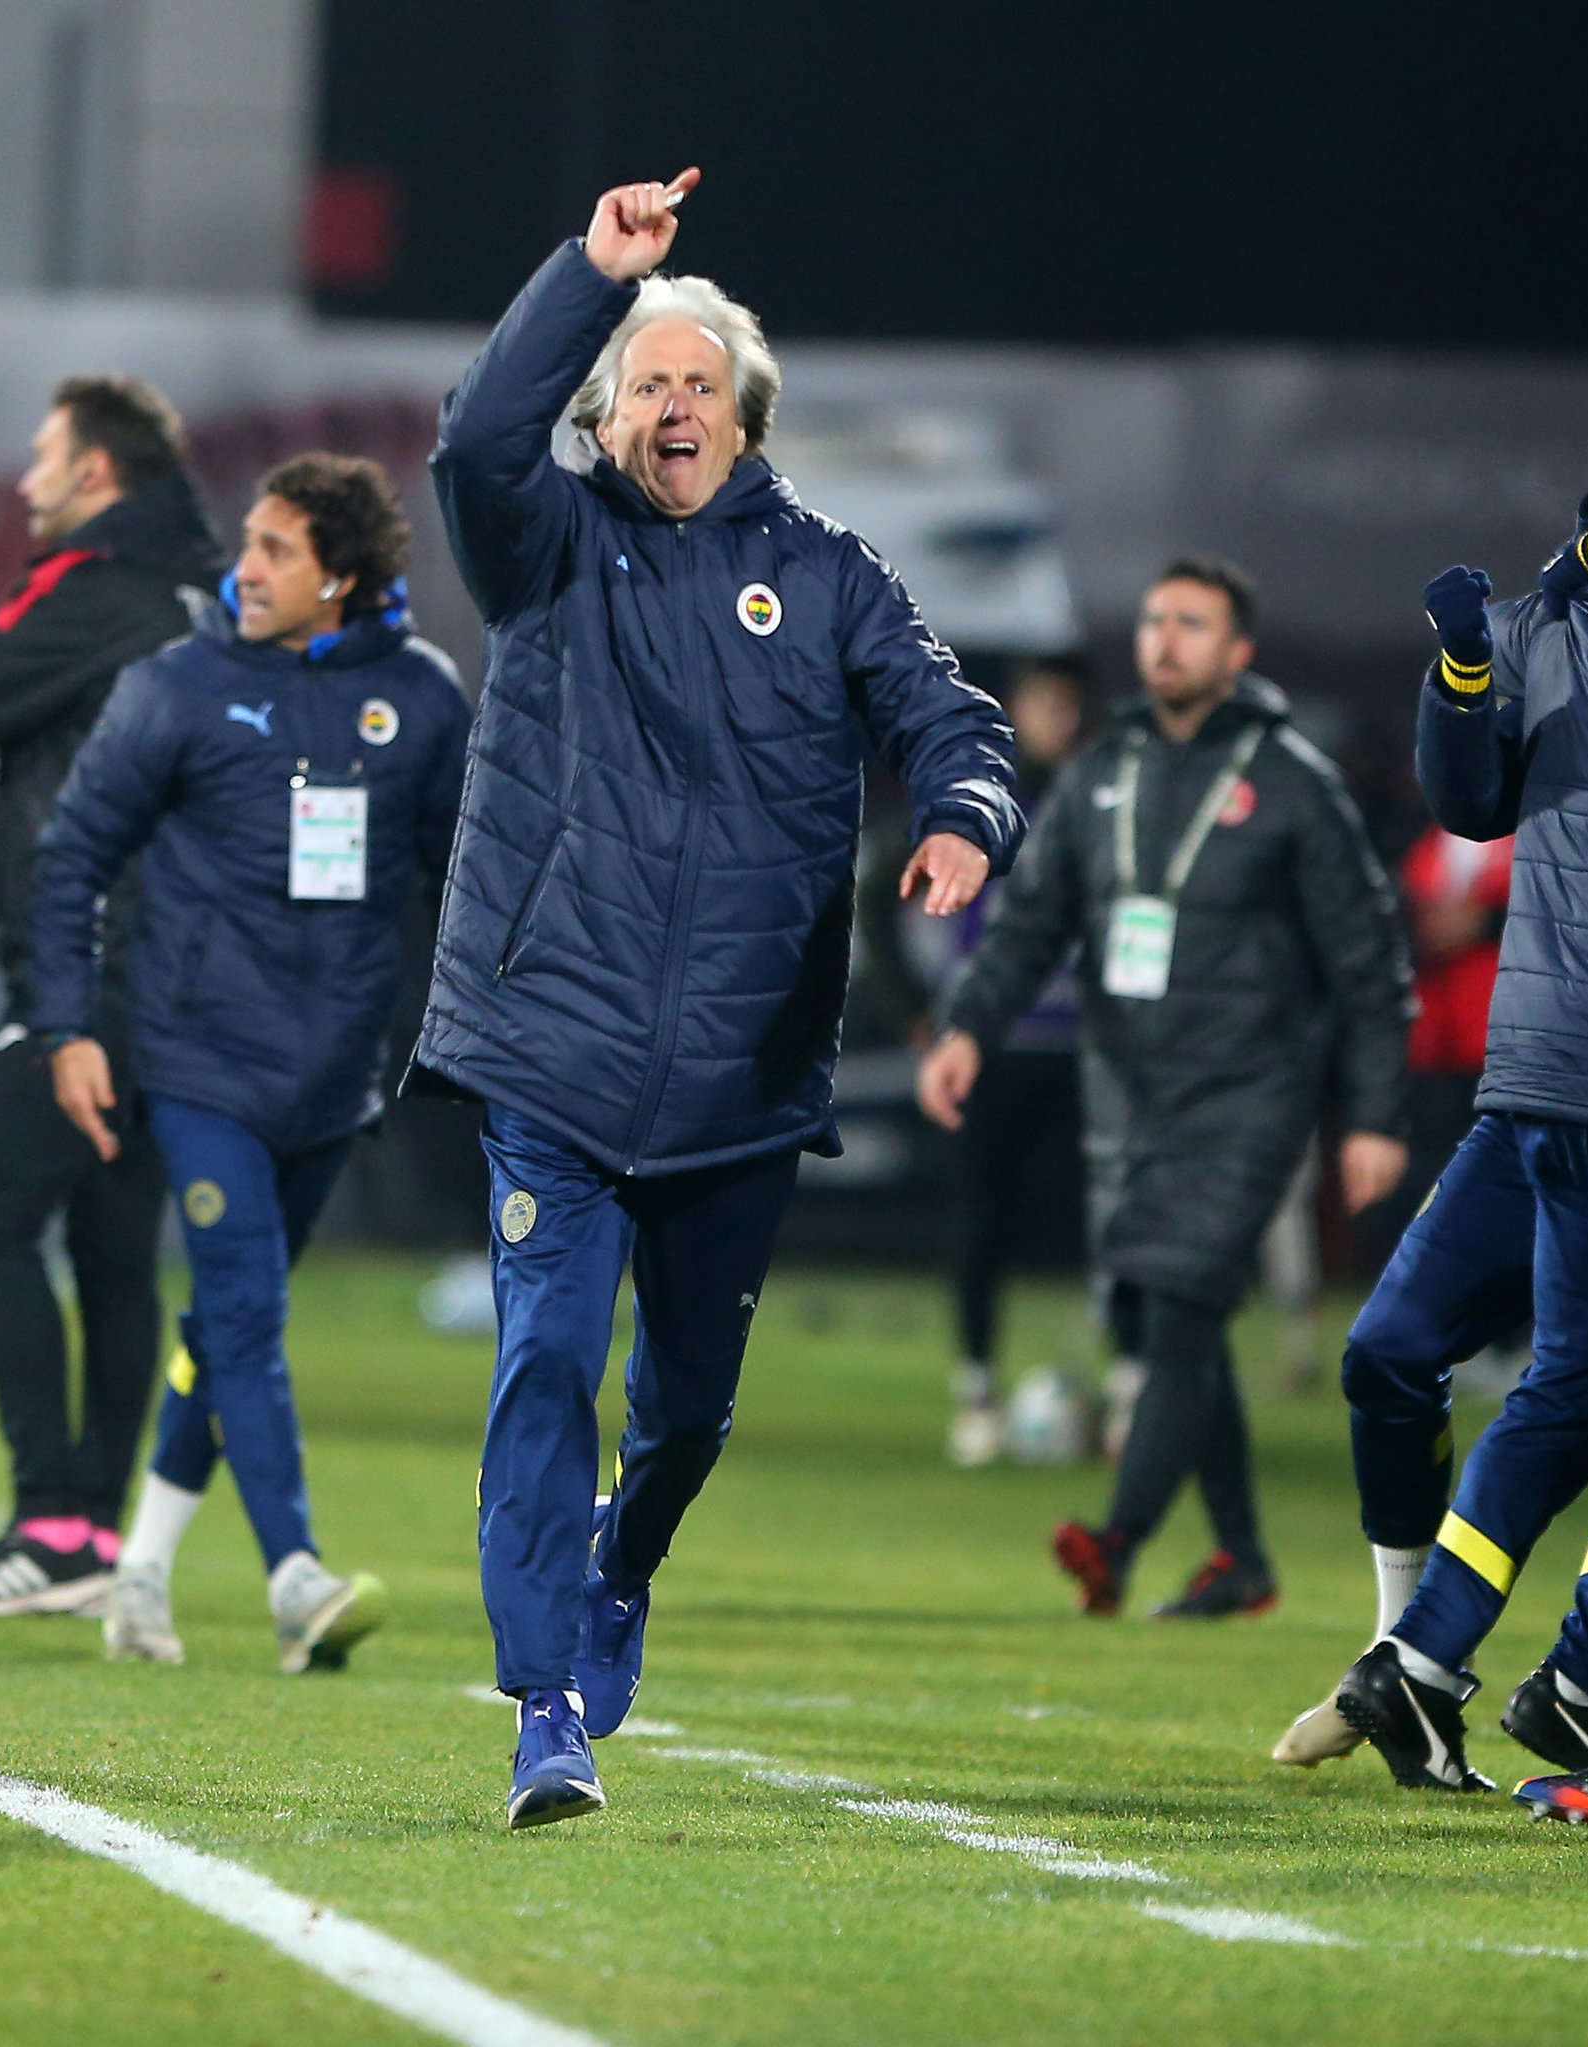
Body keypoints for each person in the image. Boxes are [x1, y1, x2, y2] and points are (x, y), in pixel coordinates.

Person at [409, 169, 1021, 1830]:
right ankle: (544, 1705)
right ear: (604, 414)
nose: (663, 405)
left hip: (743, 1074)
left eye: (690, 381)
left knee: (681, 1414)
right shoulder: (545, 546)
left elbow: (954, 724)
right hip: (552, 1043)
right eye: (637, 382)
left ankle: (622, 1561)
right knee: (545, 1364)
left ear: (740, 415)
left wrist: (965, 820)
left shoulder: (827, 577)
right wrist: (588, 278)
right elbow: (471, 448)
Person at [27, 452, 470, 1670]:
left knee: (223, 1321)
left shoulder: (422, 700)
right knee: (245, 1306)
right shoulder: (174, 688)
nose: (246, 568)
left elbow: (465, 885)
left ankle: (140, 1576)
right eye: (250, 542)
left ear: (340, 577)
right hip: (199, 1058)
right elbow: (69, 863)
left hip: (332, 1075)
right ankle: (293, 1577)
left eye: (276, 550)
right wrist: (68, 1027)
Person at [1276, 413, 1588, 1777]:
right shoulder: (1577, 612)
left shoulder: (1556, 608)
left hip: (1546, 1067)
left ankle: (1423, 1658)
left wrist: (1466, 657)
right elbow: (1473, 801)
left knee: (1570, 1379)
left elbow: (1470, 799)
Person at [920, 556, 1412, 1620]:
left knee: (1180, 1303)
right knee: (1164, 1317)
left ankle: (1117, 1536)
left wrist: (1373, 1114)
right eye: (1152, 621)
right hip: (1131, 1092)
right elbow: (1031, 921)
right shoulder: (1103, 771)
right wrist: (967, 1027)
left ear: (1236, 652)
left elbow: (1369, 963)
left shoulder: (1289, 783)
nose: (1164, 640)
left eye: (1190, 624)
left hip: (1250, 1094)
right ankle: (1239, 1555)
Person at [0, 375, 223, 1617]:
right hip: (184, 977)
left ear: (96, 474)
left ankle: (51, 1520)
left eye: (43, 456)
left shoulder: (101, 592)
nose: (26, 478)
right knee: (109, 1253)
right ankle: (89, 1530)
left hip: (89, 966)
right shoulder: (199, 595)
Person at [938, 657, 1088, 1465]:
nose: (1054, 719)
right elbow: (902, 894)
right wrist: (923, 1012)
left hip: (1080, 1045)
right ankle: (976, 1390)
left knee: (1105, 1221)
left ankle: (1127, 1387)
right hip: (992, 1048)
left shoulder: (1098, 805)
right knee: (979, 1221)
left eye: (1067, 705)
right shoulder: (984, 801)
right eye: (1042, 703)